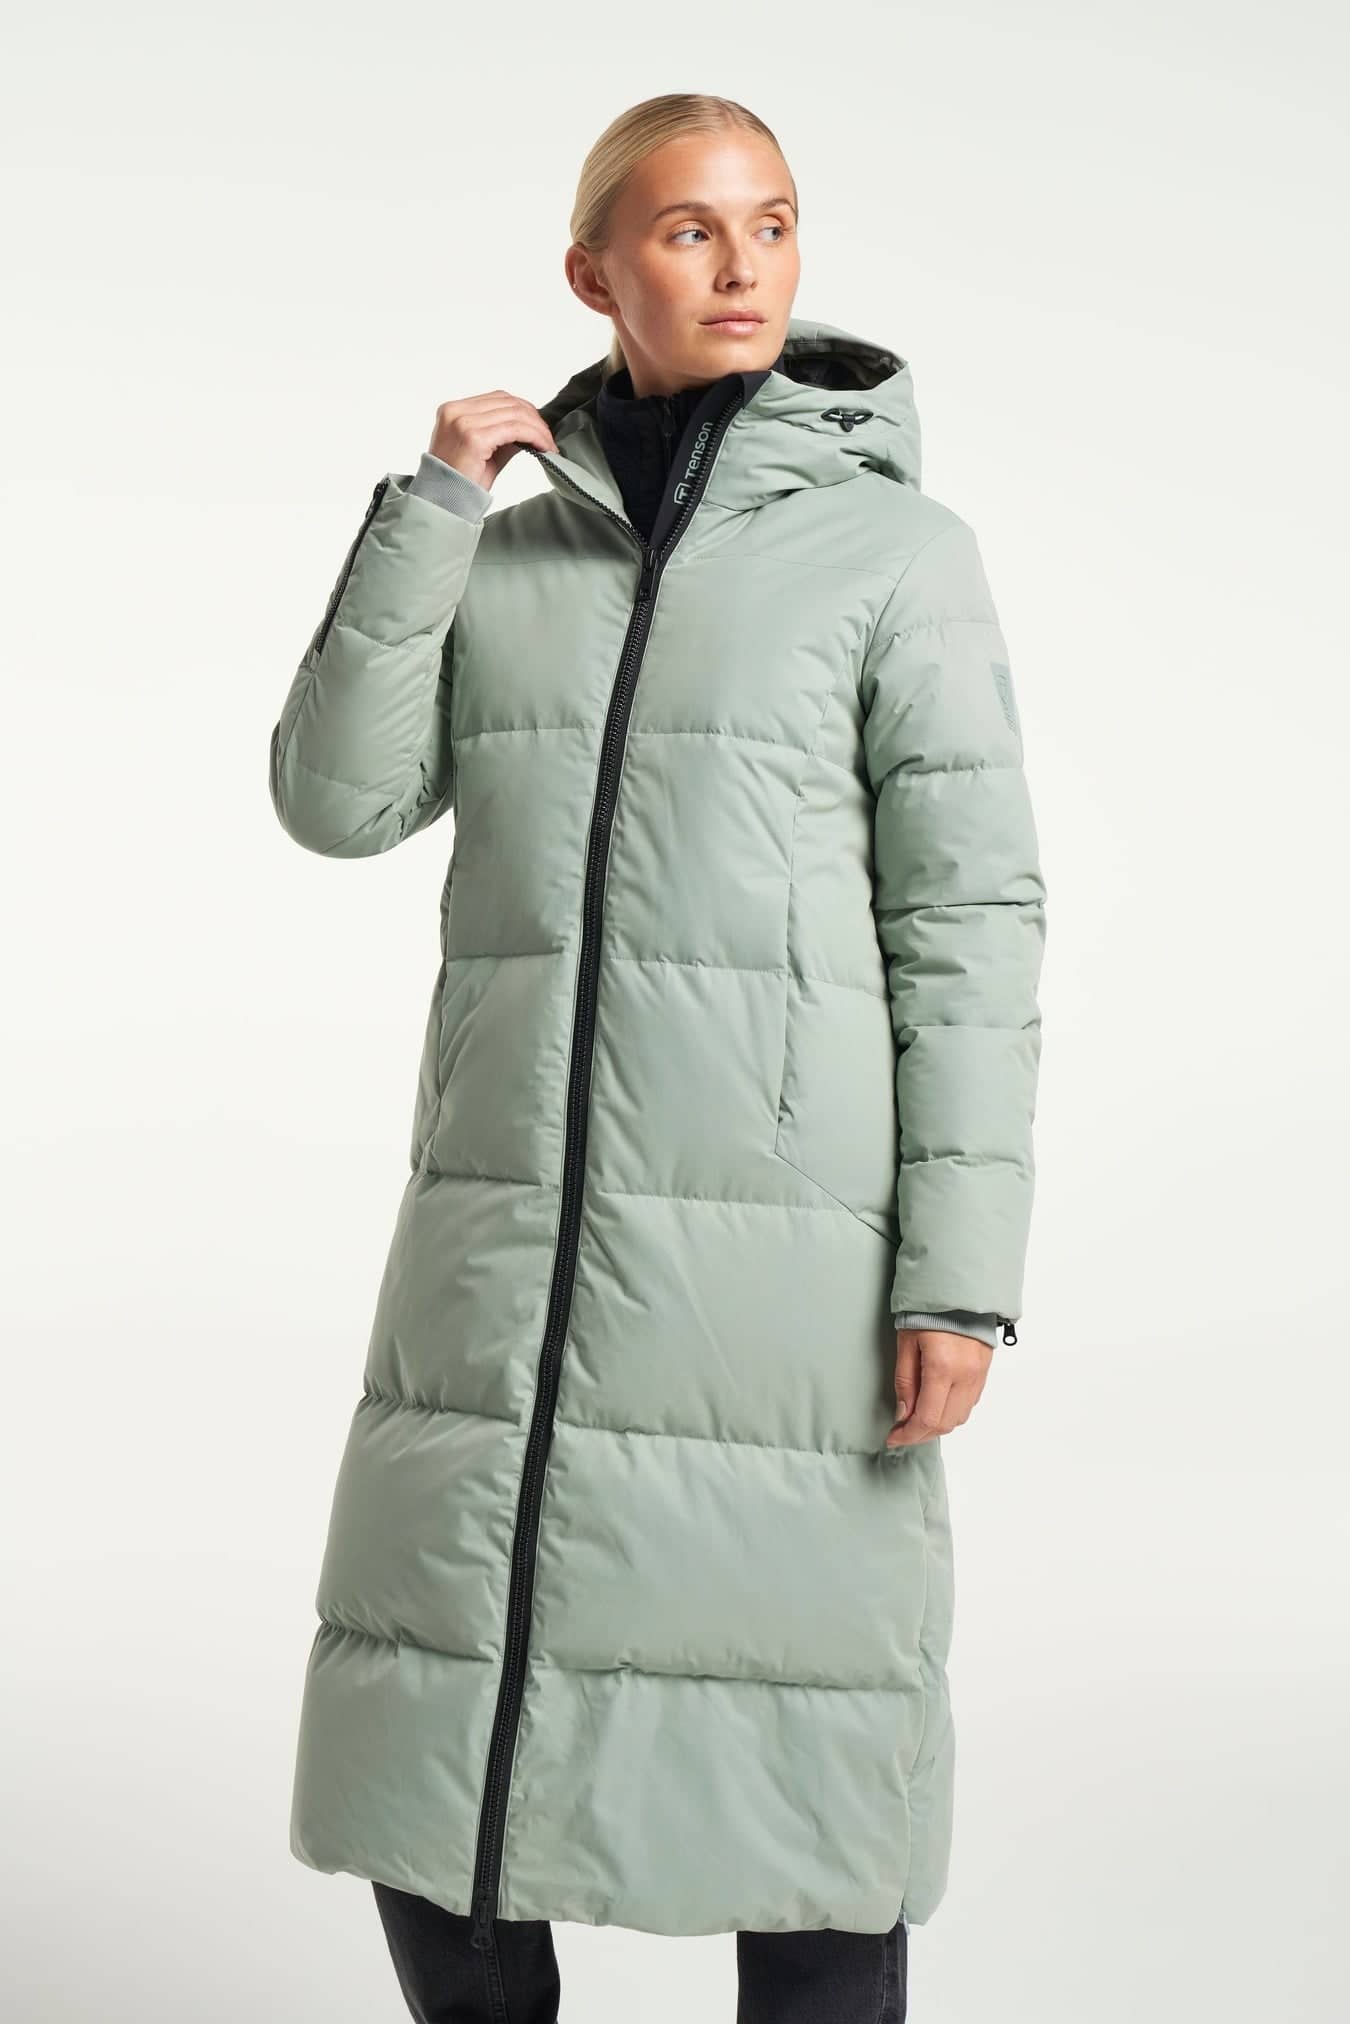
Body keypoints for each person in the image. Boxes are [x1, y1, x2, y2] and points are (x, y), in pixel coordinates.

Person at [269, 92, 1046, 2024]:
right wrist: (432, 514)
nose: (742, 266)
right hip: (506, 1233)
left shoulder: (896, 556)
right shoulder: (507, 556)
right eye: (691, 231)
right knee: (437, 1726)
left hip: (781, 1256)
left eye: (769, 224)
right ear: (592, 271)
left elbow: (968, 917)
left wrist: (958, 1271)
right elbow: (334, 803)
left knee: (806, 1744)